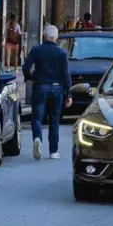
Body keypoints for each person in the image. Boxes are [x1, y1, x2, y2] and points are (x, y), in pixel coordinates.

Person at [22, 24, 72, 160]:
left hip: (40, 86)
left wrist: (31, 76)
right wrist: (68, 93)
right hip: (56, 88)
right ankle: (53, 151)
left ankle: (37, 137)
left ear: (44, 36)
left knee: (37, 117)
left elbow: (26, 67)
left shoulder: (37, 50)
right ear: (56, 37)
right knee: (54, 120)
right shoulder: (62, 53)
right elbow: (66, 74)